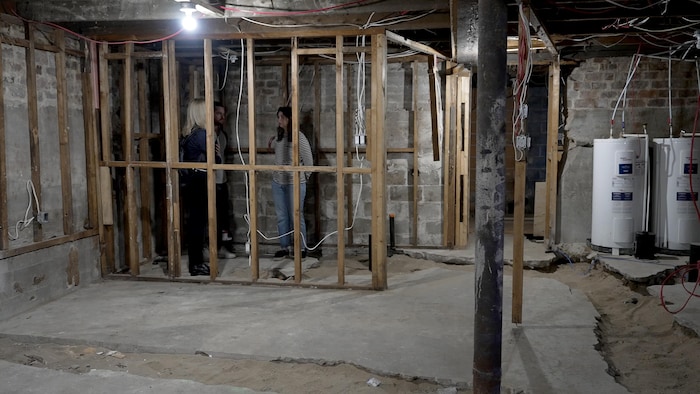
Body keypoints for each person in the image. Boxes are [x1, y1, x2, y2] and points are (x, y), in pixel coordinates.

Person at [180, 98, 221, 276]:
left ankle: (196, 263)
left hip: (191, 182)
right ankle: (196, 265)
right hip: (199, 182)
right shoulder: (201, 134)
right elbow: (216, 159)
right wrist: (216, 154)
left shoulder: (188, 133)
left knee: (195, 224)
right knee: (198, 224)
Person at [268, 106, 313, 258]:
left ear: (289, 119)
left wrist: (301, 179)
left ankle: (300, 248)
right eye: (278, 117)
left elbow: (309, 163)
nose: (279, 120)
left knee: (296, 215)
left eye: (282, 117)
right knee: (282, 216)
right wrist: (272, 140)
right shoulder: (280, 137)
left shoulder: (299, 138)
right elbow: (278, 153)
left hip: (294, 183)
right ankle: (285, 246)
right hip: (278, 182)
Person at [212, 101, 236, 259]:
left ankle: (222, 247)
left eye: (223, 114)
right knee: (211, 216)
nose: (222, 117)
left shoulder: (222, 134)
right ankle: (211, 247)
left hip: (222, 181)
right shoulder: (206, 134)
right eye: (219, 113)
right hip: (210, 182)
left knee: (223, 216)